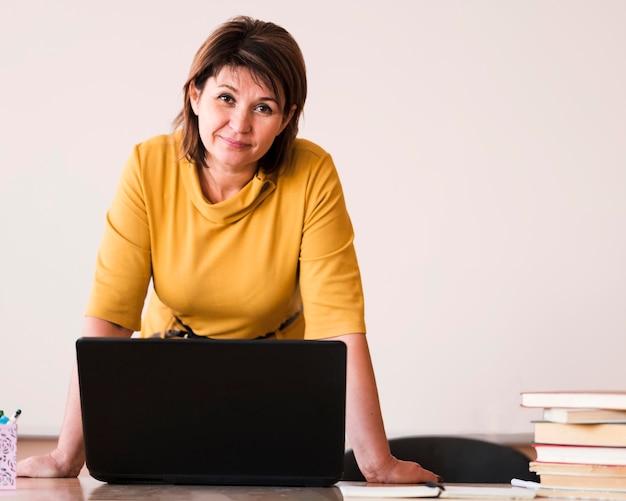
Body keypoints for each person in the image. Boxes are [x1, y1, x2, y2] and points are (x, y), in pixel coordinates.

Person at [17, 16, 438, 484]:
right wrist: (66, 456)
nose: (239, 124)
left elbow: (340, 325)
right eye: (225, 98)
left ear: (286, 118)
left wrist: (376, 465)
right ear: (195, 94)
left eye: (264, 107)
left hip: (274, 401)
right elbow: (110, 317)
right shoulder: (147, 164)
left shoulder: (312, 173)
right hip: (165, 395)